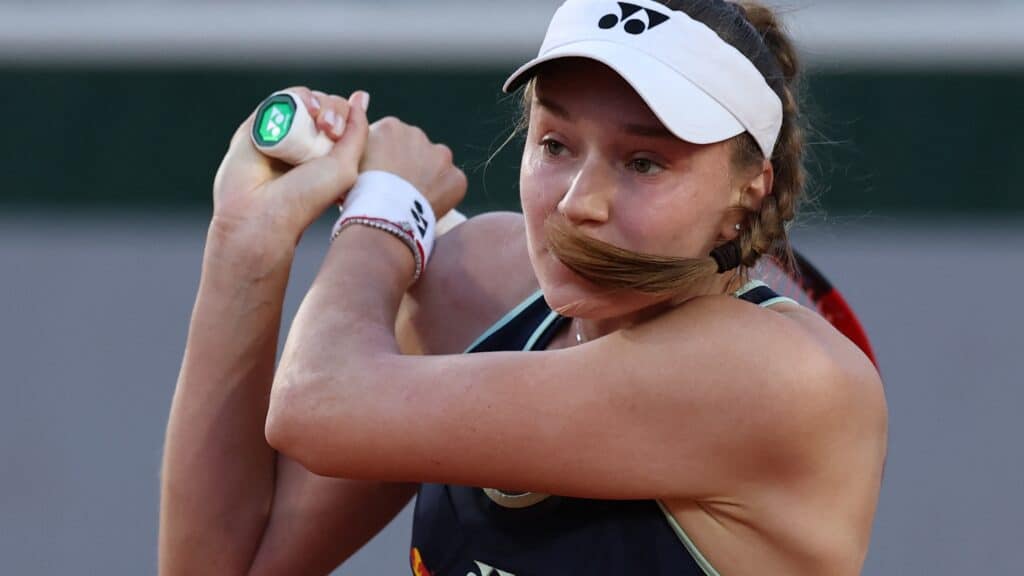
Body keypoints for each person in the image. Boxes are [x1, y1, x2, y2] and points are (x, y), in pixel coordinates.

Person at [159, 0, 887, 574]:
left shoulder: (781, 379)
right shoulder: (477, 285)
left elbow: (315, 406)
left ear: (748, 190)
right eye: (555, 145)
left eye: (644, 162)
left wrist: (384, 215)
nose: (577, 202)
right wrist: (245, 244)